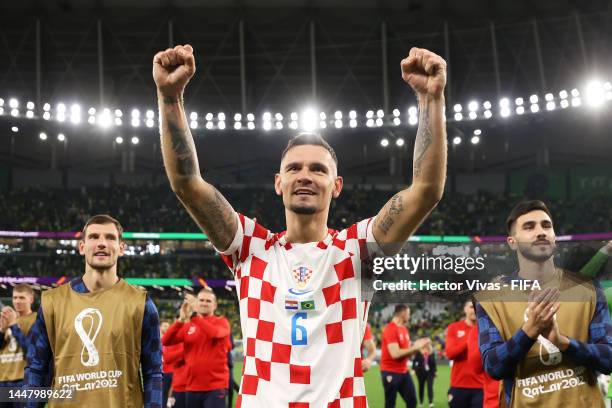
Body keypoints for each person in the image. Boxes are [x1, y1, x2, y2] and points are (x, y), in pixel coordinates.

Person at [153, 43, 447, 406]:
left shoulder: (357, 250)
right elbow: (187, 184)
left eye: (318, 169)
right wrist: (170, 97)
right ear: (279, 182)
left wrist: (431, 100)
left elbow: (426, 191)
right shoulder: (250, 246)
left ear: (336, 186)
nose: (305, 176)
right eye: (294, 168)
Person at [475, 200, 612, 407]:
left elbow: (608, 358)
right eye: (529, 227)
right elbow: (494, 366)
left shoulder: (589, 289)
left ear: (555, 238)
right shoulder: (490, 298)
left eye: (546, 226)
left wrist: (564, 343)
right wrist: (530, 330)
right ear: (512, 242)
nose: (540, 232)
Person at [24, 214, 163, 408]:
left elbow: (153, 373)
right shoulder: (51, 303)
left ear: (121, 248)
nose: (102, 243)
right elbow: (36, 370)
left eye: (110, 237)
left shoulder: (142, 304)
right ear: (82, 247)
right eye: (94, 237)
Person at [162, 288, 231, 408]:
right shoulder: (189, 325)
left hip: (215, 386)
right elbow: (166, 341)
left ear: (215, 305)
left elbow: (214, 333)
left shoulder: (222, 322)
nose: (204, 303)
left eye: (208, 301)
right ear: (196, 303)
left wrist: (194, 316)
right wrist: (180, 320)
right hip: (192, 386)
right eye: (201, 300)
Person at [380, 305, 430, 408]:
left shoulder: (404, 329)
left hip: (403, 371)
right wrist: (415, 348)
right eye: (409, 313)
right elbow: (395, 354)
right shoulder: (390, 329)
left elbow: (407, 352)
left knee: (412, 401)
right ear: (403, 313)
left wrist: (419, 346)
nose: (409, 316)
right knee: (390, 404)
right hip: (390, 372)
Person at [0, 284, 37, 408]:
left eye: (22, 298)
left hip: (23, 380)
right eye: (15, 298)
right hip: (3, 379)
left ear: (31, 299)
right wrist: (2, 330)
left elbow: (33, 352)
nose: (17, 301)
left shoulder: (37, 320)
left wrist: (14, 326)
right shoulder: (5, 319)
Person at [444, 300, 485, 407]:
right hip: (459, 385)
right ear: (465, 309)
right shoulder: (454, 327)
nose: (475, 310)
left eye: (477, 307)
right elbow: (450, 353)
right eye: (472, 307)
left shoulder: (485, 329)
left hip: (481, 386)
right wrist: (469, 341)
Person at [412, 343, 436, 408]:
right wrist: (414, 369)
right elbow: (414, 362)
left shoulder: (431, 353)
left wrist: (435, 371)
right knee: (421, 387)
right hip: (420, 373)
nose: (426, 346)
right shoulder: (418, 353)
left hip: (430, 373)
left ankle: (431, 402)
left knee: (430, 387)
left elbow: (434, 363)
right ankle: (421, 402)